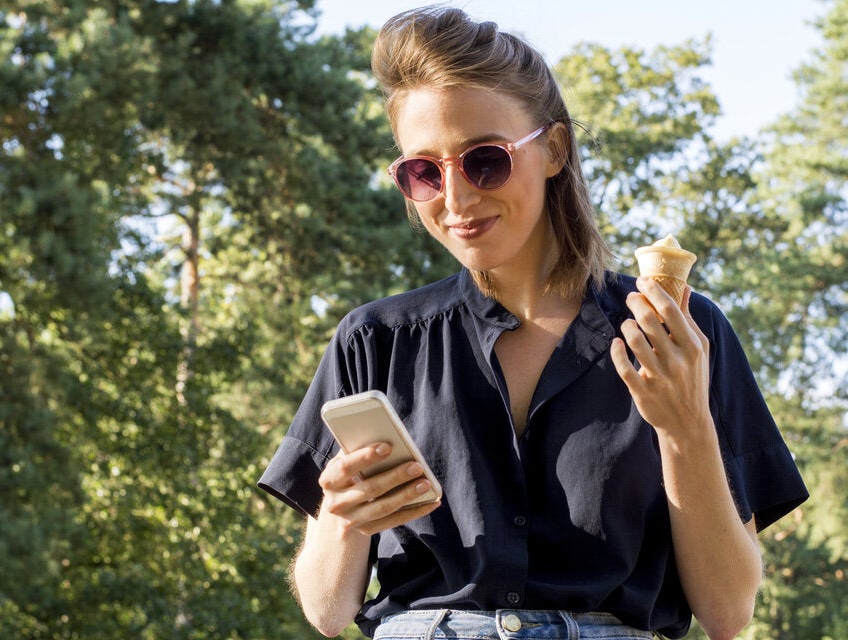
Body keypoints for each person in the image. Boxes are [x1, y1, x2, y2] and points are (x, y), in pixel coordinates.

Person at [258, 6, 808, 640]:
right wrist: (343, 515)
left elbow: (728, 612)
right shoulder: (373, 341)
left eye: (485, 160)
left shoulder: (680, 331)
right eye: (423, 171)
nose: (456, 199)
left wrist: (685, 426)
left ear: (554, 148)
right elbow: (327, 611)